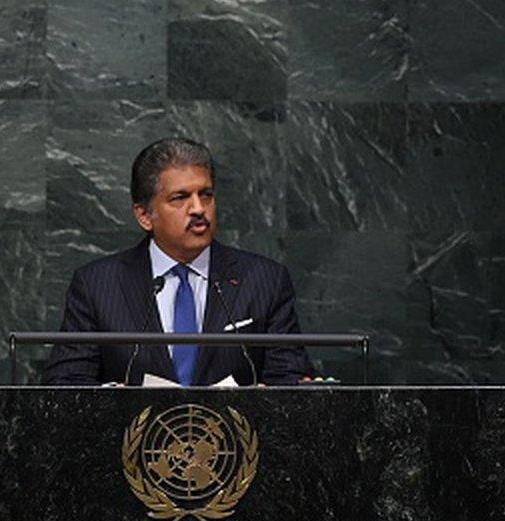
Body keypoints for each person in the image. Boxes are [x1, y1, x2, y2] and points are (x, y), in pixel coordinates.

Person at [44, 137, 309, 386]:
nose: (198, 209)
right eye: (180, 198)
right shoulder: (97, 286)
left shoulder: (265, 280)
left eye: (206, 194)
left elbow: (289, 378)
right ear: (145, 215)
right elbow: (66, 386)